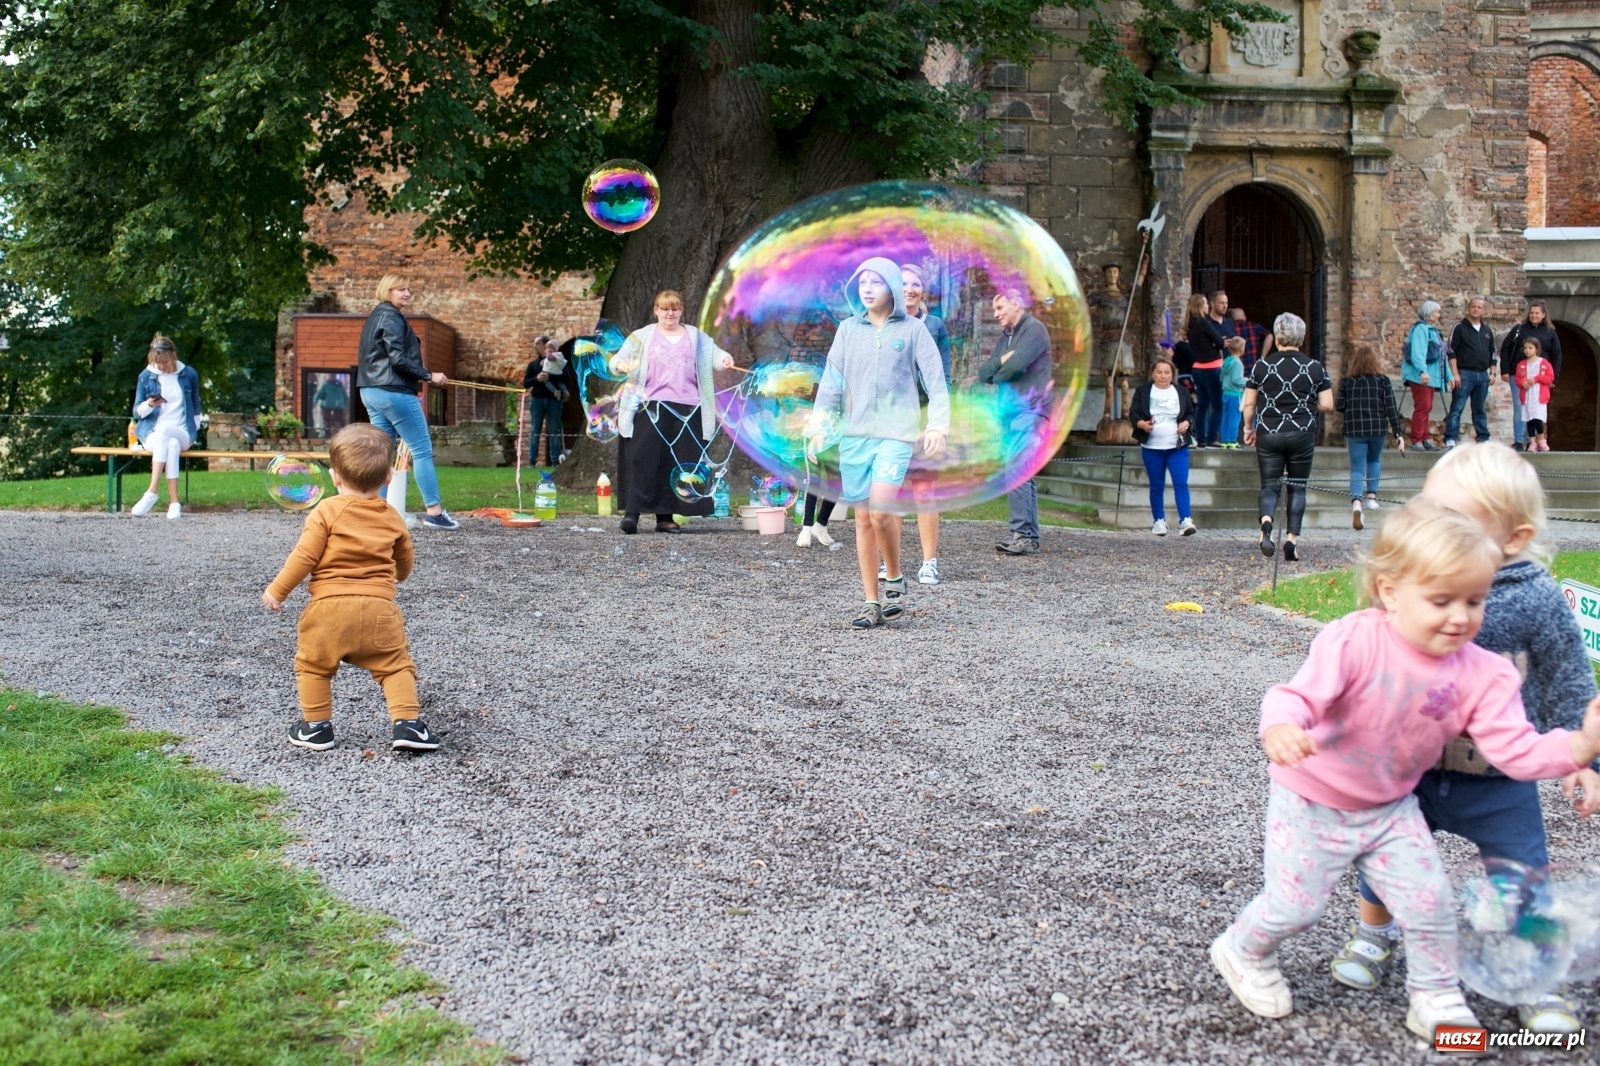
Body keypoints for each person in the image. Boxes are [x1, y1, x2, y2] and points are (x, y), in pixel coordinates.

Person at [1210, 498, 1600, 1038]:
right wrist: (1280, 728)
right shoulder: (1355, 639)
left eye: (1475, 600)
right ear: (1390, 591)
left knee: (1429, 901)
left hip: (1391, 808)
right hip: (1312, 799)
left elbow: (1512, 750)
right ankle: (1242, 951)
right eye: (1442, 600)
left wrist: (1578, 749)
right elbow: (1295, 696)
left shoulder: (1485, 674)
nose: (1461, 616)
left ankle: (1435, 997)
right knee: (1295, 906)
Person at [1326, 443, 1600, 1035]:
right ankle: (1375, 934)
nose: (1430, 530)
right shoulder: (1417, 581)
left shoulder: (1535, 599)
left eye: (1453, 521)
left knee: (1525, 871)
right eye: (1427, 513)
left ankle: (1538, 974)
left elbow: (1567, 678)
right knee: (1386, 857)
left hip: (1500, 778)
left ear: (1513, 538)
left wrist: (1586, 757)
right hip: (1410, 768)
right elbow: (1367, 657)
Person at [263, 424, 439, 753]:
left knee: (313, 665)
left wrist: (278, 590)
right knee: (395, 665)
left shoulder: (326, 511)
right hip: (379, 610)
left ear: (334, 477)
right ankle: (408, 725)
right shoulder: (391, 516)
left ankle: (316, 727)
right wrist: (398, 575)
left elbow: (304, 557)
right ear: (389, 476)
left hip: (328, 610)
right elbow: (405, 559)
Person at [805, 257, 948, 629]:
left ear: (892, 288)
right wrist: (819, 427)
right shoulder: (847, 330)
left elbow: (936, 383)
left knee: (882, 511)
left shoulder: (916, 330)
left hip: (895, 436)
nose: (867, 288)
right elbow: (831, 384)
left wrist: (937, 426)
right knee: (864, 519)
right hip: (854, 438)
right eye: (862, 282)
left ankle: (895, 577)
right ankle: (871, 602)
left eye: (876, 282)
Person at [610, 290, 735, 534]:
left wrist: (725, 359)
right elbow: (616, 361)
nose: (670, 313)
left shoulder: (695, 337)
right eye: (665, 308)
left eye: (675, 309)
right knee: (641, 458)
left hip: (688, 408)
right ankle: (632, 515)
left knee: (675, 463)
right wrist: (620, 365)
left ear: (681, 311)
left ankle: (664, 518)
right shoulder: (642, 336)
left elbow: (716, 355)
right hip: (650, 405)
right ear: (656, 310)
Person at [357, 274, 458, 530]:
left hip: (370, 391)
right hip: (394, 392)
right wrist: (429, 375)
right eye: (401, 289)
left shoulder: (374, 316)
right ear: (387, 290)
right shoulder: (390, 316)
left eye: (408, 289)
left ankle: (374, 513)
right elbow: (397, 359)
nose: (407, 293)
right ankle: (435, 513)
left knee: (383, 453)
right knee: (421, 450)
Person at [1242, 313, 1332, 562]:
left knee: (1269, 486)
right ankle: (1291, 541)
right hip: (1302, 433)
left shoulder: (1261, 366)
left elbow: (1248, 404)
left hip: (1269, 433)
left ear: (1278, 337)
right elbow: (1327, 404)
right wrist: (1308, 402)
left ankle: (1267, 526)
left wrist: (1249, 429)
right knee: (1298, 488)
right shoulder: (1315, 367)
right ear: (1301, 338)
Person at [979, 289, 1054, 556]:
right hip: (1013, 413)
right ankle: (1029, 536)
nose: (996, 314)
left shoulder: (1034, 330)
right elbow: (984, 372)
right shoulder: (1006, 337)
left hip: (1031, 410)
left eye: (1000, 308)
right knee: (1024, 473)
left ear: (1016, 303)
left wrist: (1001, 370)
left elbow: (1014, 368)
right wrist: (1001, 362)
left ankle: (1021, 534)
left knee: (1017, 470)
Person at [892, 263, 952, 585]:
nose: (909, 289)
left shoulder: (935, 326)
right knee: (893, 493)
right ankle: (892, 563)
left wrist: (938, 425)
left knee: (924, 491)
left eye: (915, 284)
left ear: (922, 291)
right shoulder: (884, 324)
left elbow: (944, 379)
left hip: (926, 421)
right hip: (893, 422)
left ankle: (929, 562)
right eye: (903, 283)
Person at [130, 335, 203, 520]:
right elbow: (137, 412)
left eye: (164, 362)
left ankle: (152, 490)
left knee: (169, 436)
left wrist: (194, 431)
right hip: (152, 433)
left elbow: (195, 405)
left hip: (182, 431)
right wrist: (149, 404)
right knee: (170, 444)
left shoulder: (189, 374)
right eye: (157, 363)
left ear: (173, 355)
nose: (161, 366)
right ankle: (175, 503)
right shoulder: (146, 376)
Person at [1334, 344, 1405, 530]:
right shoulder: (1383, 381)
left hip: (1355, 429)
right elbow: (1391, 408)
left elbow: (1339, 405)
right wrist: (1398, 433)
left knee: (1357, 467)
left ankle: (1357, 504)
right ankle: (1371, 499)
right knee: (1374, 460)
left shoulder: (1347, 382)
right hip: (1377, 429)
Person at [1128, 357, 1196, 536]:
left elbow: (1190, 413)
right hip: (1152, 447)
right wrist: (1142, 424)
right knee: (1156, 485)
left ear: (1172, 374)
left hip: (1177, 446)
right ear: (1153, 374)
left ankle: (1185, 520)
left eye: (1167, 372)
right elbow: (1133, 414)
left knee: (1181, 483)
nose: (1163, 376)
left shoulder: (1181, 391)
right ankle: (1159, 520)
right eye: (1159, 372)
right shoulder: (1143, 392)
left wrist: (1187, 424)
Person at [1499, 301, 1563, 451]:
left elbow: (1557, 355)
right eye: (1531, 313)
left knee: (1536, 409)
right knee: (1520, 407)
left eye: (1537, 313)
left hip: (1540, 379)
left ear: (1544, 315)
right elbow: (1506, 348)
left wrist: (1555, 378)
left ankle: (1532, 442)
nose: (1533, 315)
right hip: (1519, 375)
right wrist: (1505, 370)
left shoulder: (1550, 332)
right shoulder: (1519, 329)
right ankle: (1519, 441)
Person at [1443, 296, 1496, 449]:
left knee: (1479, 408)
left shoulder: (1487, 330)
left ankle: (1483, 437)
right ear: (1468, 308)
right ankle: (1451, 438)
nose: (1476, 309)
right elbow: (1451, 351)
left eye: (1479, 307)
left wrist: (1492, 373)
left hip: (1482, 374)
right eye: (1473, 306)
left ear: (1483, 310)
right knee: (1457, 407)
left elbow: (1493, 352)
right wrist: (1455, 374)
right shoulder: (1459, 327)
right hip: (1464, 373)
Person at [1400, 300, 1450, 451]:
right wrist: (1422, 371)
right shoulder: (1421, 329)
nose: (1439, 315)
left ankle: (1425, 438)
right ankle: (1417, 439)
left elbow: (1443, 356)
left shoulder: (1432, 331)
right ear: (1429, 313)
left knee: (1427, 407)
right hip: (1421, 376)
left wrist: (1449, 376)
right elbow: (1418, 352)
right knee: (1422, 407)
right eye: (1436, 312)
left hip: (1431, 376)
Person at [1184, 293, 1227, 448]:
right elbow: (1220, 342)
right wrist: (1217, 344)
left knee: (1202, 405)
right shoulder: (1203, 322)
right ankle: (1211, 438)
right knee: (1217, 406)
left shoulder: (1189, 324)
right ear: (1200, 306)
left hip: (1198, 369)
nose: (1208, 306)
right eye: (1206, 304)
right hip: (1212, 368)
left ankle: (1201, 438)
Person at [522, 334, 571, 465]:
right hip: (537, 399)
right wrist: (537, 379)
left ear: (545, 345)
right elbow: (526, 383)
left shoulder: (558, 361)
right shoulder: (533, 364)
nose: (535, 346)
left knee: (554, 429)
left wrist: (549, 377)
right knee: (535, 430)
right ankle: (532, 460)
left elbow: (566, 377)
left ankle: (555, 459)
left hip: (554, 400)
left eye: (537, 343)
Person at [1515, 336, 1556, 453]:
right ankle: (1532, 442)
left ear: (1536, 349)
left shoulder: (1543, 363)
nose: (1527, 350)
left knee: (1538, 418)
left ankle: (1541, 440)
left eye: (1530, 348)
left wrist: (1537, 378)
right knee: (1529, 420)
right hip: (1527, 396)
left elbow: (1550, 377)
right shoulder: (1521, 364)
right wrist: (1522, 383)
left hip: (1539, 395)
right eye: (1525, 348)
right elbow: (1517, 379)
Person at [1219, 337, 1247, 448]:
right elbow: (1236, 380)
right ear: (1241, 349)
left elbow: (1221, 377)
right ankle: (1232, 441)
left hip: (1225, 394)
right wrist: (1246, 381)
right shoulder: (1238, 363)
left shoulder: (1227, 361)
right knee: (1235, 418)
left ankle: (1225, 441)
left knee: (1225, 418)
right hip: (1235, 394)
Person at [1230, 307, 1274, 375]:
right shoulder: (1254, 326)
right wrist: (1262, 357)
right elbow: (1270, 336)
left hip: (1235, 371)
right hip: (1252, 370)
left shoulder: (1229, 329)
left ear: (1231, 319)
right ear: (1244, 317)